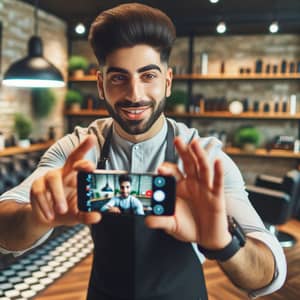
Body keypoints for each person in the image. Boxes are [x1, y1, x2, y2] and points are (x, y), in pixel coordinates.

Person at [0, 3, 286, 300]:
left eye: (148, 76)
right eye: (119, 77)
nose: (134, 94)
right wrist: (38, 214)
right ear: (101, 84)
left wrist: (224, 241)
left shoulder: (203, 157)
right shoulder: (80, 148)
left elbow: (269, 272)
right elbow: (4, 224)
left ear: (168, 81)